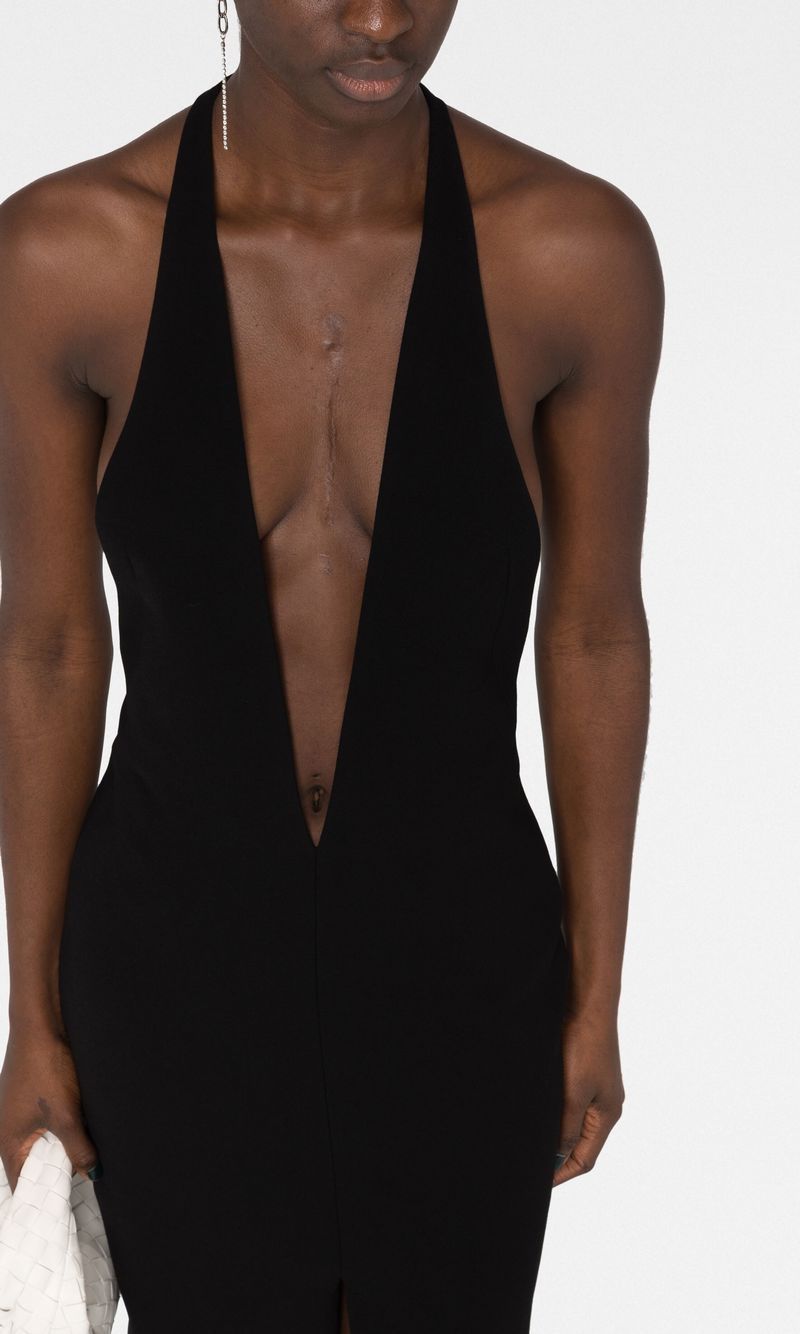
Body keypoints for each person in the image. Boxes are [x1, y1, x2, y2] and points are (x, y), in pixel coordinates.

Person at [0, 2, 660, 1329]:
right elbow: (53, 643)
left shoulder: (570, 250)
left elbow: (592, 630)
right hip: (174, 950)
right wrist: (34, 1014)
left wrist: (596, 993)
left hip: (460, 944)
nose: (382, 16)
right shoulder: (67, 254)